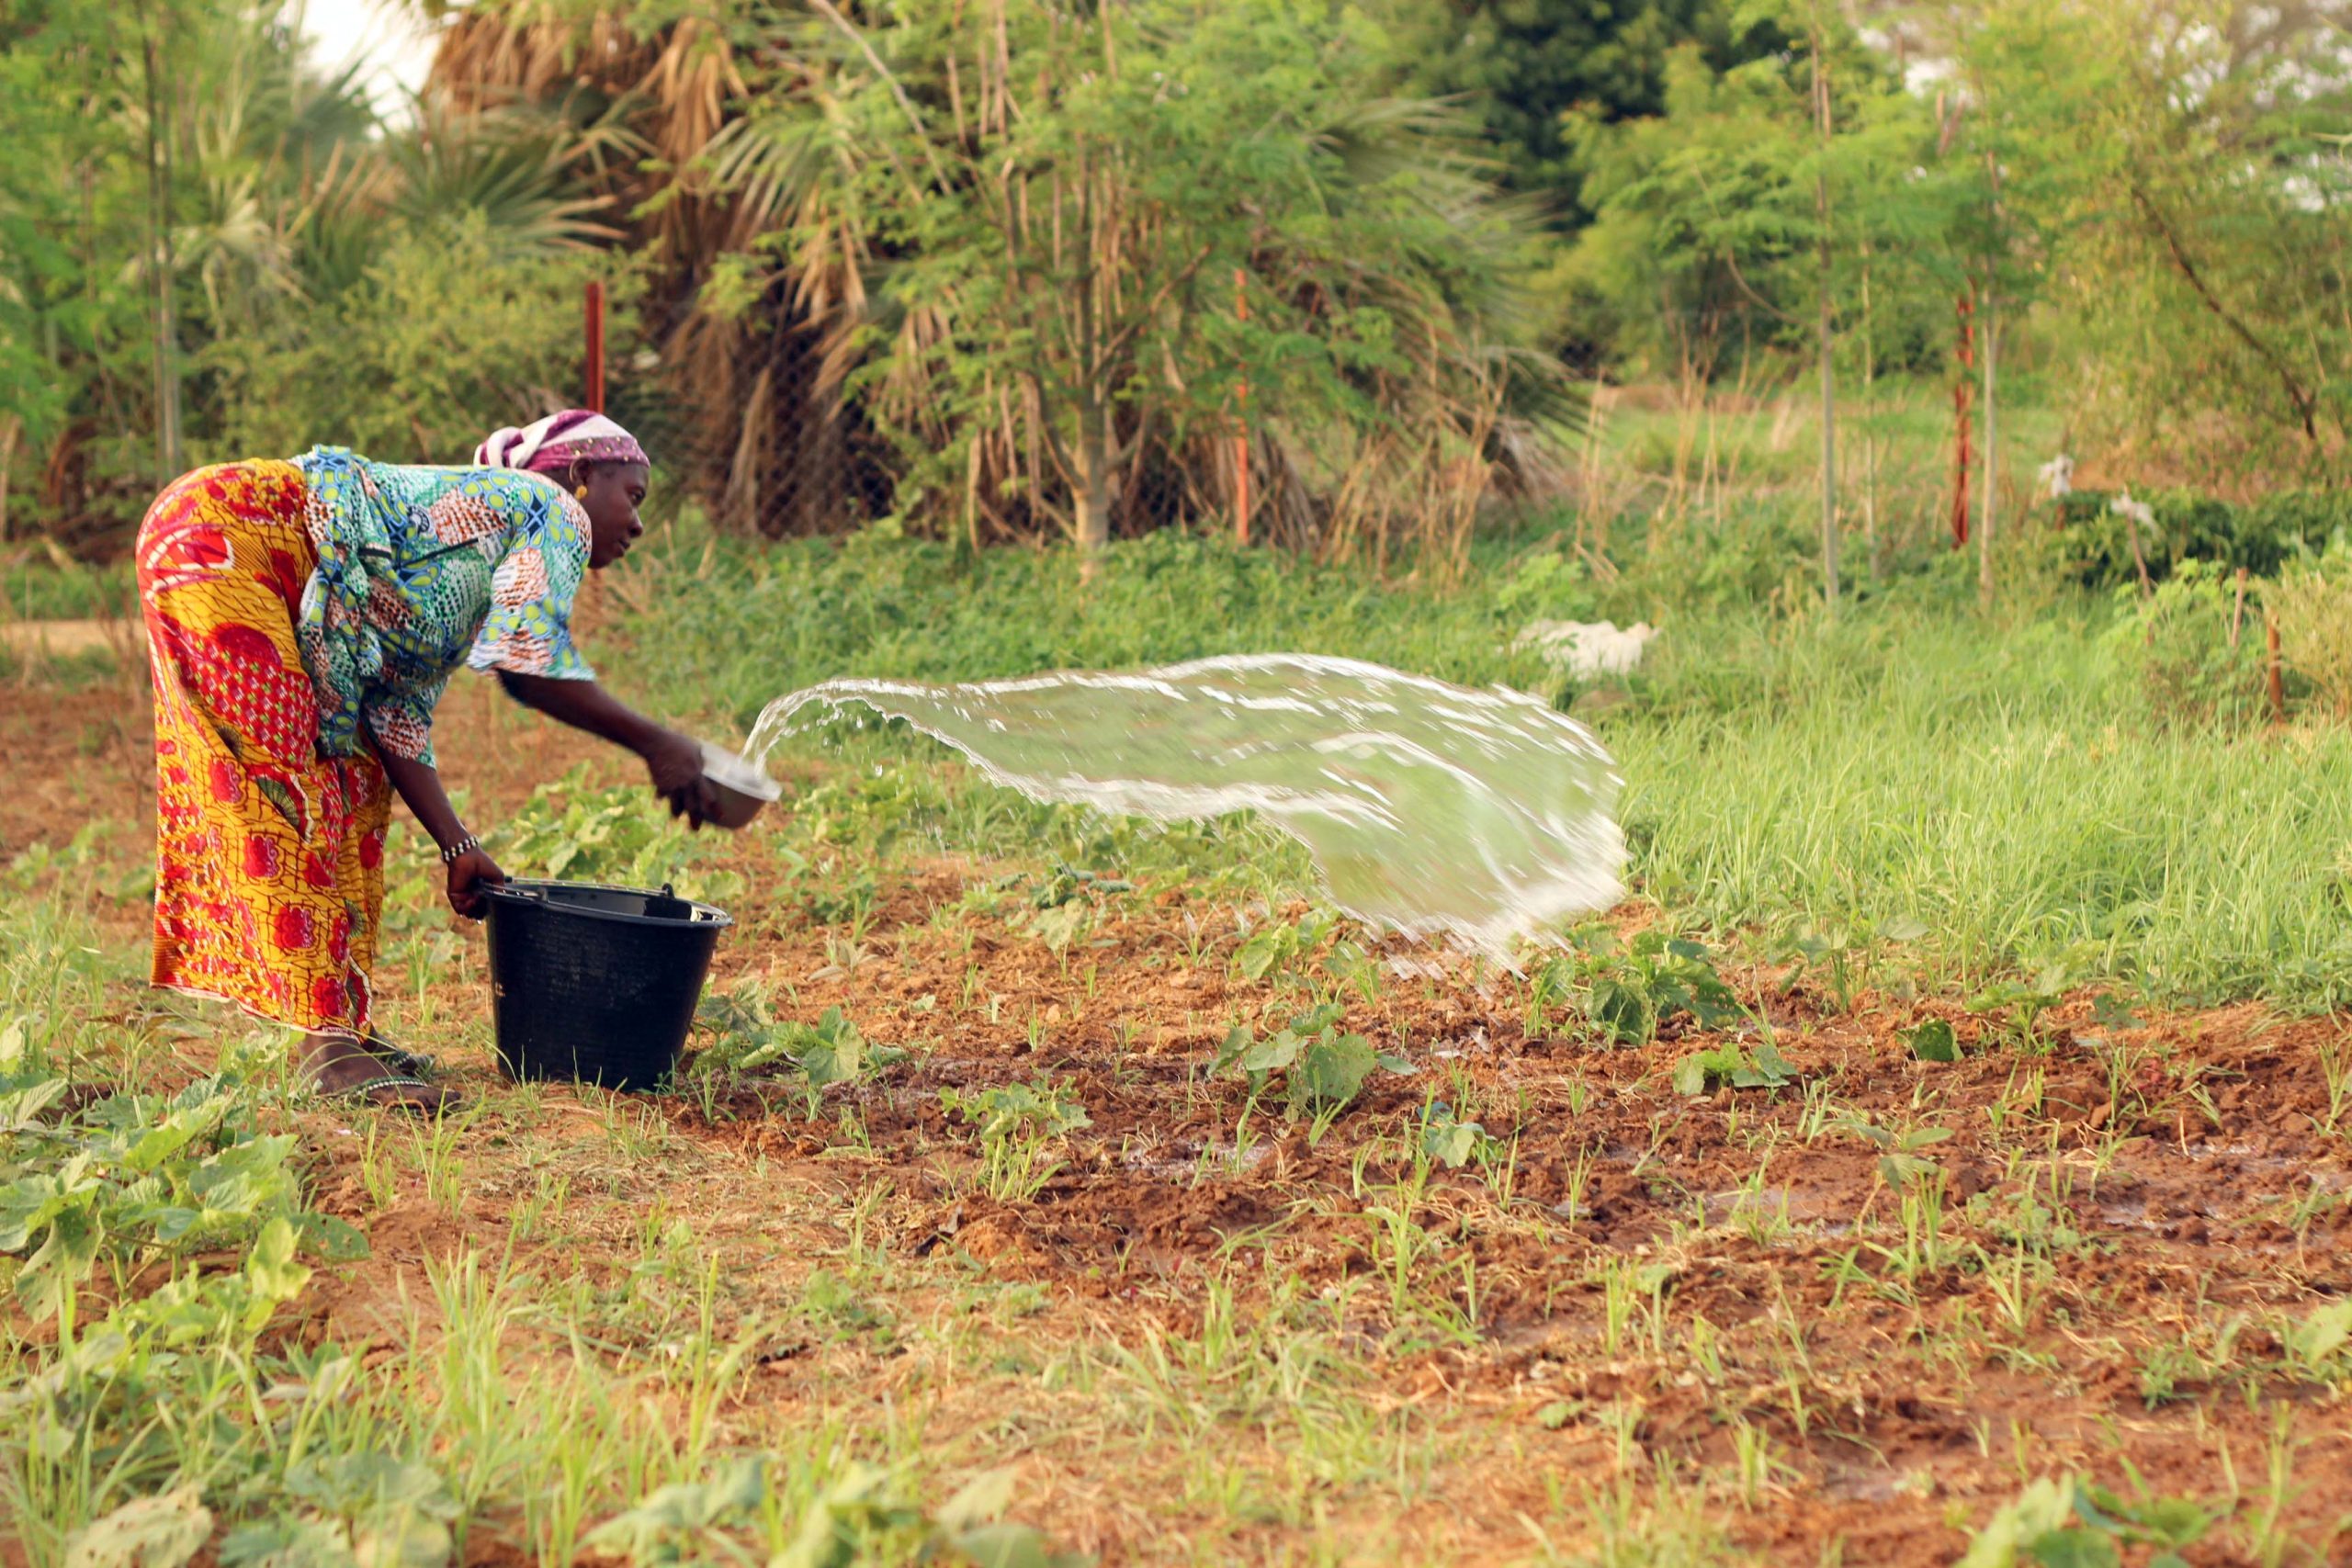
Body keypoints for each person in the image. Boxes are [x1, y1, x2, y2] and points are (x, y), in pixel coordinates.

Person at [135, 411, 719, 1111]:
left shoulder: (466, 559)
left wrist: (459, 846)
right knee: (280, 783)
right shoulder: (552, 510)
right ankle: (326, 1047)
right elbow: (526, 665)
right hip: (235, 535)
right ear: (582, 475)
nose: (639, 523)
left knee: (351, 778)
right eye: (635, 494)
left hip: (217, 528)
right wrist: (660, 743)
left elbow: (394, 713)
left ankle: (341, 1026)